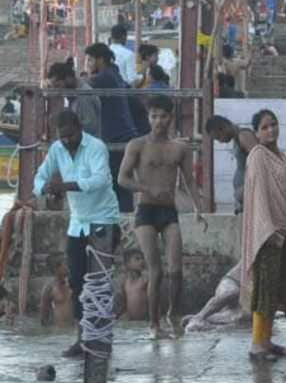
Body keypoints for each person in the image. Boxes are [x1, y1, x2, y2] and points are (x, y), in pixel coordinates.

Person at [32, 109, 123, 366]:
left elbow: (101, 180)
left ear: (79, 127)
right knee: (77, 282)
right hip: (77, 223)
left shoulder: (96, 147)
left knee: (100, 283)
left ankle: (101, 338)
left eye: (70, 136)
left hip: (103, 219)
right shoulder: (56, 149)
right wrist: (46, 189)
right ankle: (82, 338)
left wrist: (66, 186)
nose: (67, 141)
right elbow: (38, 178)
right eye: (62, 137)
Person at [117, 95, 207, 340]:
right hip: (145, 212)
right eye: (154, 116)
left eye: (163, 116)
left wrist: (199, 208)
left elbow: (188, 180)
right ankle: (154, 325)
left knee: (176, 269)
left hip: (169, 212)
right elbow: (122, 178)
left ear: (171, 118)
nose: (159, 121)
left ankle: (173, 316)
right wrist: (145, 189)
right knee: (155, 270)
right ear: (148, 117)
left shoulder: (180, 148)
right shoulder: (137, 145)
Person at [240, 109, 286, 362]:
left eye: (274, 125)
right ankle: (257, 344)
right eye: (265, 127)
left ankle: (266, 340)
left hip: (285, 228)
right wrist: (267, 229)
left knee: (278, 286)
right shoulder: (258, 156)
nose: (271, 130)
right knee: (265, 287)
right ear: (257, 132)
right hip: (267, 232)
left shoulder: (280, 156)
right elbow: (258, 196)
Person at [82, 43, 142, 213]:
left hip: (117, 136)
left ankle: (122, 217)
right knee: (119, 180)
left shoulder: (105, 77)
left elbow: (82, 86)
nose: (87, 63)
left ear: (100, 60)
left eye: (90, 60)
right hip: (123, 134)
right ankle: (122, 215)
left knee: (117, 181)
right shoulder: (114, 73)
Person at [205, 114, 260, 216]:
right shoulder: (237, 138)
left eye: (218, 137)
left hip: (252, 195)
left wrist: (247, 189)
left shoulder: (243, 136)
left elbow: (260, 164)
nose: (220, 142)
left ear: (223, 127)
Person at [47, 61, 99, 136]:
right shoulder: (73, 96)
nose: (58, 91)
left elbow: (89, 130)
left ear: (68, 78)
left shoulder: (84, 97)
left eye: (58, 86)